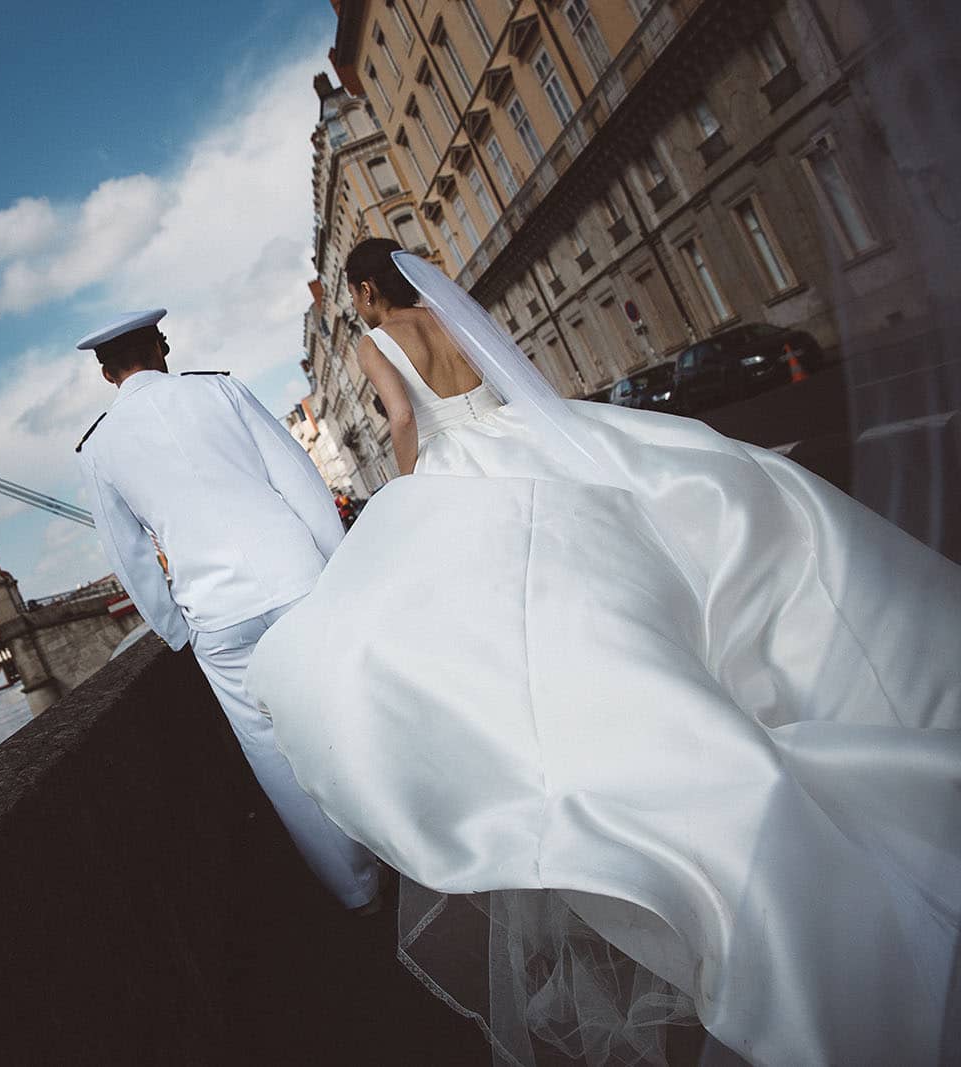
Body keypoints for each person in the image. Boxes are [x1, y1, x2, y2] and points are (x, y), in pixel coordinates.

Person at [246, 240, 961, 1065]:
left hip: (459, 469)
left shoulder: (376, 342)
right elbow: (509, 383)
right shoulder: (446, 314)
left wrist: (410, 491)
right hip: (520, 441)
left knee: (507, 642)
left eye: (357, 296)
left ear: (367, 288)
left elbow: (406, 421)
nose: (360, 311)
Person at [74, 308, 379, 911]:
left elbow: (128, 555)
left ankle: (357, 889)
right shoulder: (221, 390)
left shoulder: (97, 448)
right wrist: (340, 565)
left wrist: (174, 628)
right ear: (162, 347)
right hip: (297, 580)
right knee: (346, 713)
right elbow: (298, 482)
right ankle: (408, 845)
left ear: (108, 375)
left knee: (272, 753)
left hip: (215, 616)